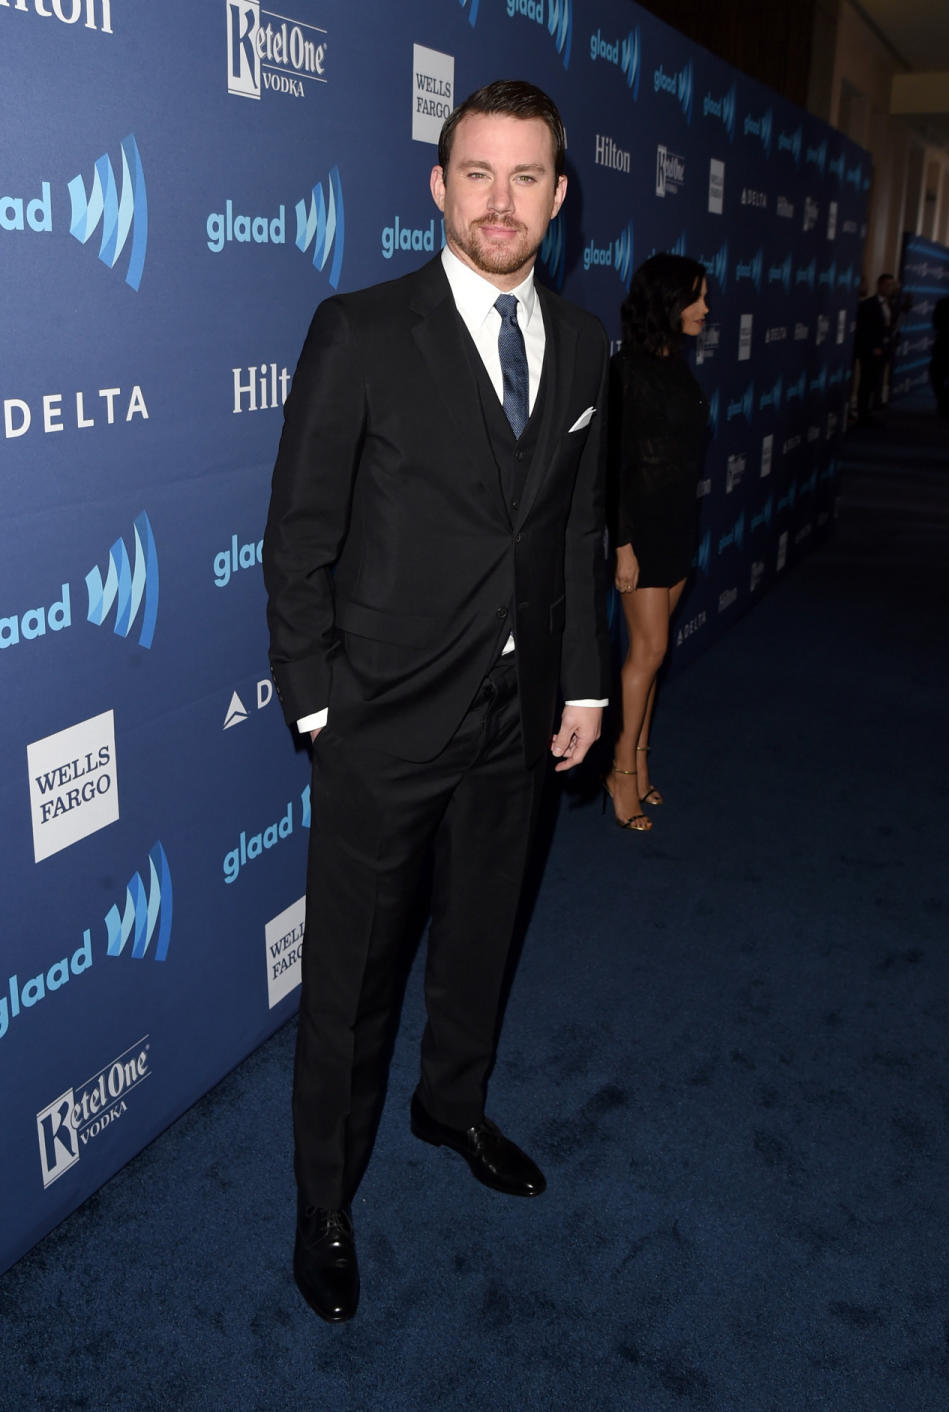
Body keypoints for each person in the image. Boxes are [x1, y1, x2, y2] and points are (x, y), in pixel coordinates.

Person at [262, 79, 610, 1323]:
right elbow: (297, 536)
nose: (501, 201)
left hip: (520, 723)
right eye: (479, 173)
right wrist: (317, 707)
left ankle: (449, 1103)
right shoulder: (359, 330)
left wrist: (582, 680)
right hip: (383, 722)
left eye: (528, 178)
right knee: (352, 980)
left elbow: (571, 524)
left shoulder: (578, 342)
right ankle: (325, 1200)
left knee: (478, 943)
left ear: (560, 199)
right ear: (438, 185)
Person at [603, 254, 709, 831]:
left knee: (654, 654)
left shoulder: (678, 366)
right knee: (647, 654)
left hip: (677, 526)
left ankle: (640, 761)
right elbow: (614, 466)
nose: (705, 310)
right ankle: (619, 773)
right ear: (666, 303)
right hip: (640, 534)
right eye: (695, 299)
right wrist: (622, 545)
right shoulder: (628, 373)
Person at [854, 273, 895, 424]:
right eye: (887, 285)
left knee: (876, 381)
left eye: (892, 285)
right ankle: (862, 411)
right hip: (870, 350)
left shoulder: (890, 304)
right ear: (879, 285)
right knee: (866, 381)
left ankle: (870, 409)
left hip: (884, 350)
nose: (890, 288)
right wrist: (872, 347)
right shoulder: (868, 304)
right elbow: (864, 329)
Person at [930, 278, 949, 419]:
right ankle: (942, 400)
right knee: (937, 376)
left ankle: (947, 403)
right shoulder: (943, 304)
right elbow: (936, 322)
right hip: (943, 346)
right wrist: (948, 328)